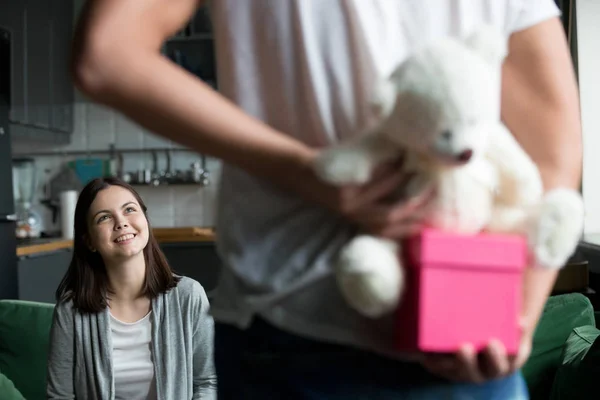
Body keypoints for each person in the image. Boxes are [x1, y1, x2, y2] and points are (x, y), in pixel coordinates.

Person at [70, 0, 582, 398]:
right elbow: (552, 146)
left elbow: (107, 54)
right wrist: (510, 320)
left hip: (302, 333)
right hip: (321, 346)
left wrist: (514, 321)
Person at [46, 177, 217, 399]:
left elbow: (207, 382)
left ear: (145, 219)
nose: (121, 223)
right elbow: (60, 396)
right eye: (104, 217)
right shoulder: (71, 309)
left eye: (129, 209)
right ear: (89, 241)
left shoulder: (189, 295)